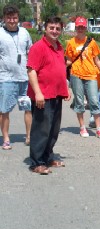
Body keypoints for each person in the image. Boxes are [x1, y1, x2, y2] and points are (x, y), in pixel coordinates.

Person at [27, 16, 71, 175]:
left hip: (56, 94)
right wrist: (38, 93)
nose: (54, 31)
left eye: (58, 28)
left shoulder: (59, 47)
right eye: (51, 28)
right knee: (41, 129)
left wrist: (65, 89)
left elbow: (60, 69)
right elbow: (31, 70)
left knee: (53, 129)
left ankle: (47, 157)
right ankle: (36, 162)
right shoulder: (38, 47)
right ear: (45, 28)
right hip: (42, 96)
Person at [65, 16, 100, 139]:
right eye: (78, 27)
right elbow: (68, 61)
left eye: (82, 27)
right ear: (75, 28)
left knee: (94, 101)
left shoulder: (91, 42)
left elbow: (97, 60)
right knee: (79, 101)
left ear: (85, 28)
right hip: (76, 75)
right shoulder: (71, 43)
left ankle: (98, 129)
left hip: (91, 75)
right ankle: (82, 127)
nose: (80, 29)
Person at [0, 4, 33, 150]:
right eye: (9, 18)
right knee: (4, 110)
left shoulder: (25, 32)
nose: (12, 21)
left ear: (18, 18)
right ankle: (6, 138)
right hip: (6, 78)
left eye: (14, 18)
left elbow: (31, 52)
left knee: (28, 108)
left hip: (24, 78)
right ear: (4, 18)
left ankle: (29, 136)